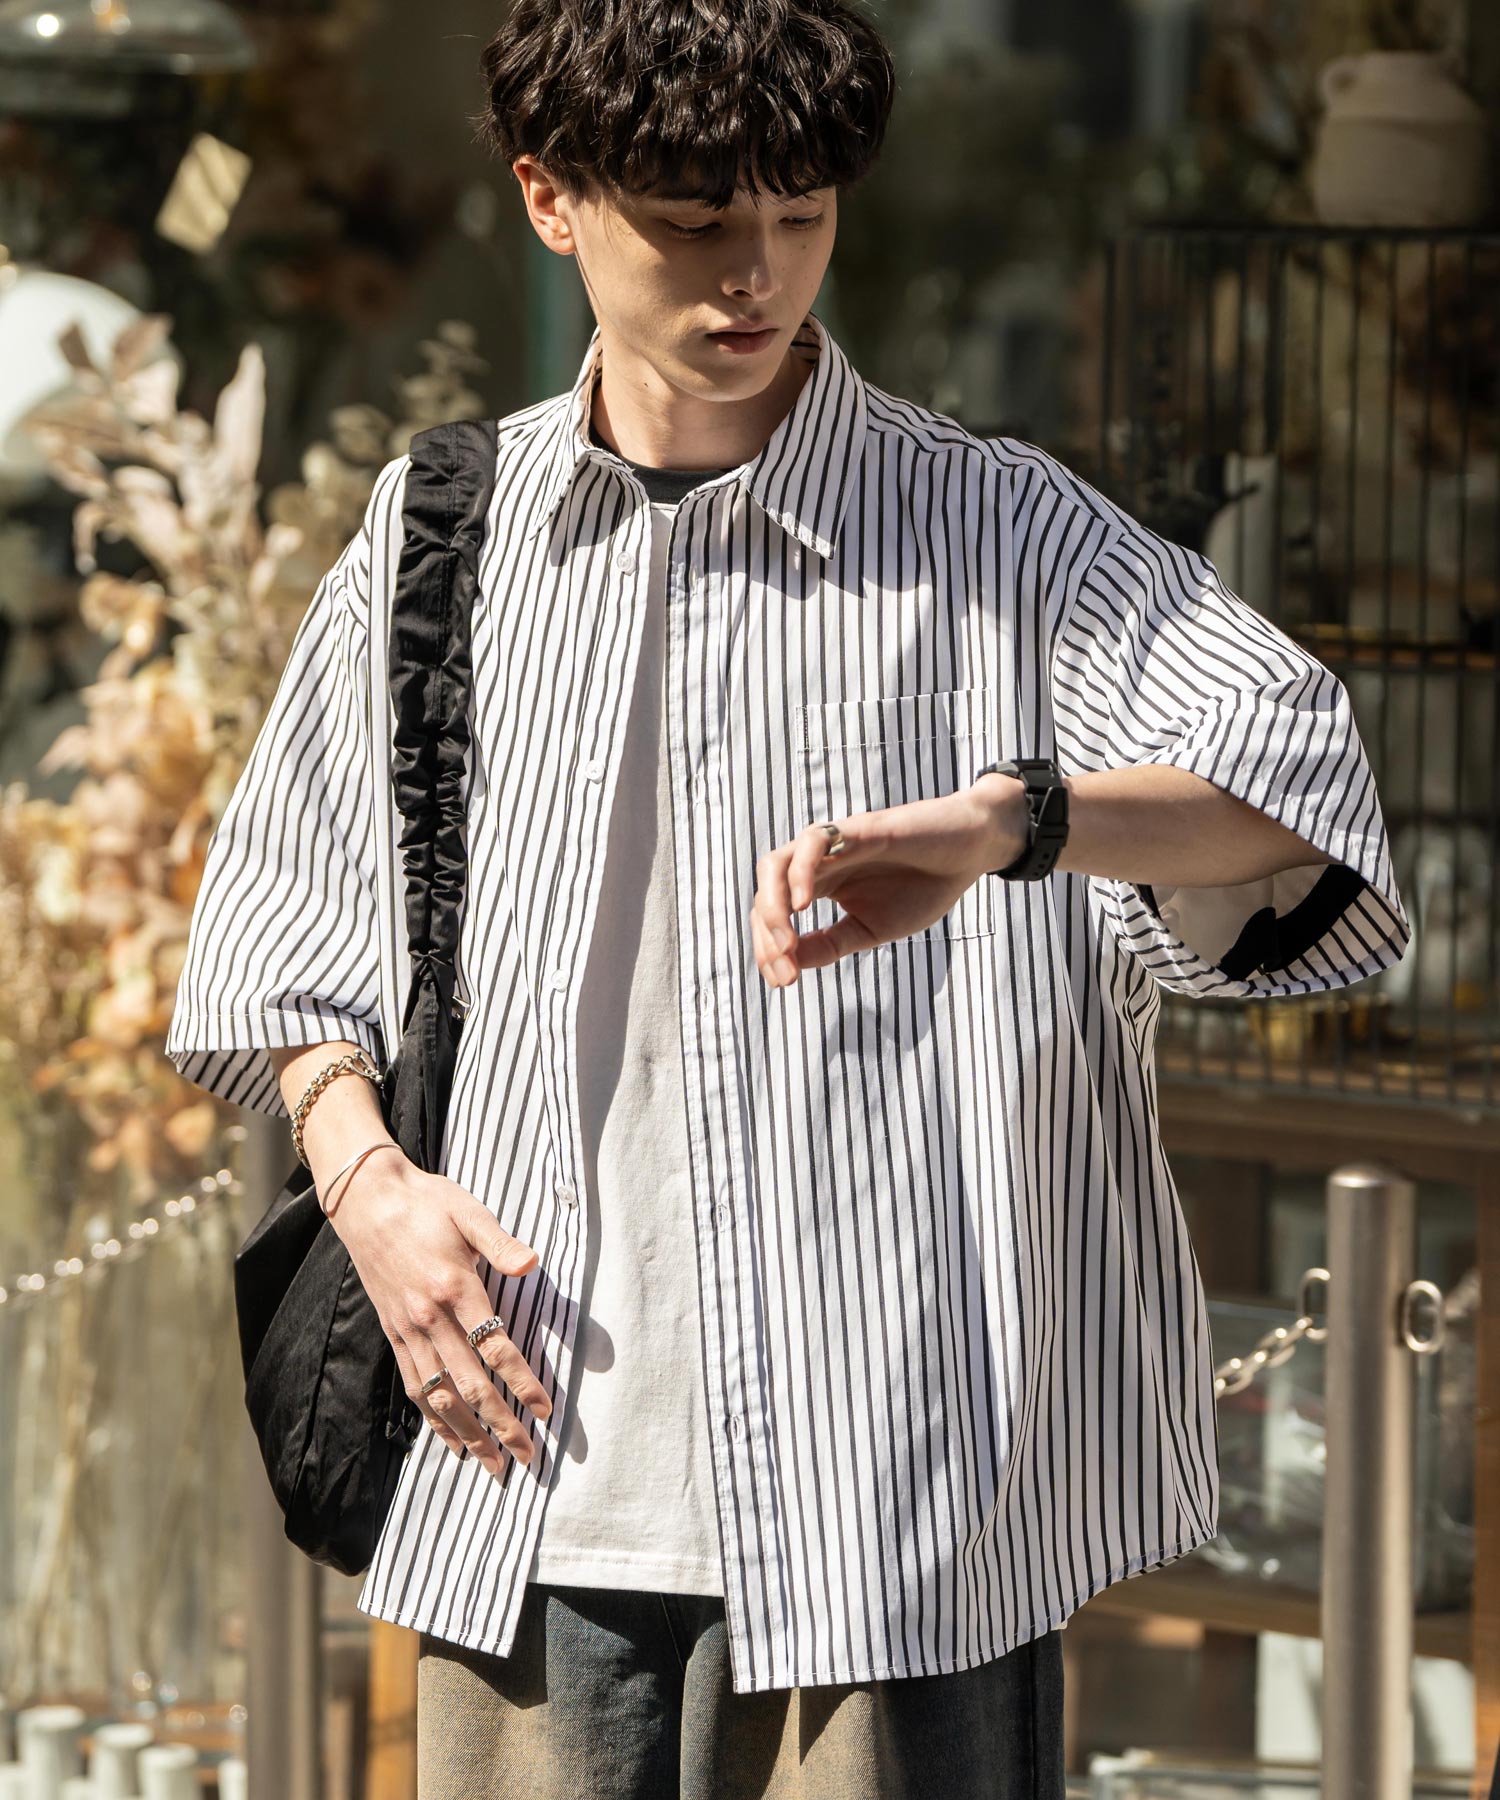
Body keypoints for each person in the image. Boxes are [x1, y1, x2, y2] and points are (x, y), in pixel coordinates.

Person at [164, 0, 1410, 1793]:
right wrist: (370, 1193)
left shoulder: (997, 533)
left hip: (897, 1502)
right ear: (550, 198)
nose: (758, 273)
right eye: (694, 220)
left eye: (802, 213)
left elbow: (1303, 788)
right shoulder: (444, 533)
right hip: (527, 1473)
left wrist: (1018, 824)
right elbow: (293, 927)